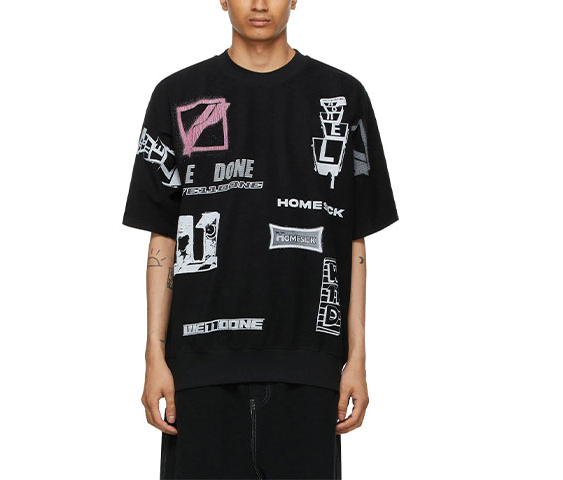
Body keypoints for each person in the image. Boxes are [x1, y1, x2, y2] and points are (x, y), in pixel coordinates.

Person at [122, 1, 398, 477]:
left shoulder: (342, 95)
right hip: (199, 367)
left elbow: (354, 239)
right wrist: (153, 355)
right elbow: (162, 236)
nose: (259, 3)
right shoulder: (177, 94)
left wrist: (357, 359)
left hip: (309, 366)